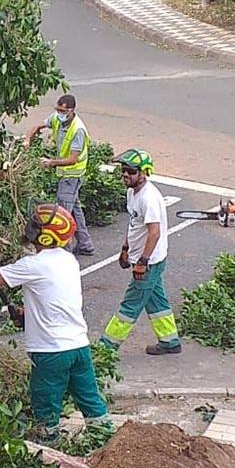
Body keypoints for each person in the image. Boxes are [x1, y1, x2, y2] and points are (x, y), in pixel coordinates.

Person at [0, 202, 109, 440]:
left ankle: (51, 452)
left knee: (45, 408)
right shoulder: (69, 261)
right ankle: (107, 442)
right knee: (91, 401)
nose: (30, 232)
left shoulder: (34, 265)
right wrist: (27, 316)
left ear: (45, 237)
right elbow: (56, 300)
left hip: (51, 352)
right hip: (79, 346)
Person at [99, 148, 182, 356]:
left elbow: (154, 232)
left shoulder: (149, 198)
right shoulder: (131, 193)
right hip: (141, 258)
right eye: (124, 170)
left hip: (150, 261)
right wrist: (125, 248)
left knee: (130, 305)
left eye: (131, 171)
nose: (125, 174)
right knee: (156, 300)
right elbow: (135, 224)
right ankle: (170, 341)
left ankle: (105, 347)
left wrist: (143, 262)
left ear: (144, 173)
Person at [25, 93, 96, 256]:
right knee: (75, 209)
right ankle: (85, 244)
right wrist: (27, 140)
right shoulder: (57, 118)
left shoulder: (78, 129)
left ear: (71, 111)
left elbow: (72, 159)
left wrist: (51, 162)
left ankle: (64, 253)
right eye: (57, 109)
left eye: (63, 111)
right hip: (65, 174)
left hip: (72, 175)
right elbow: (37, 126)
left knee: (63, 215)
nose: (59, 113)